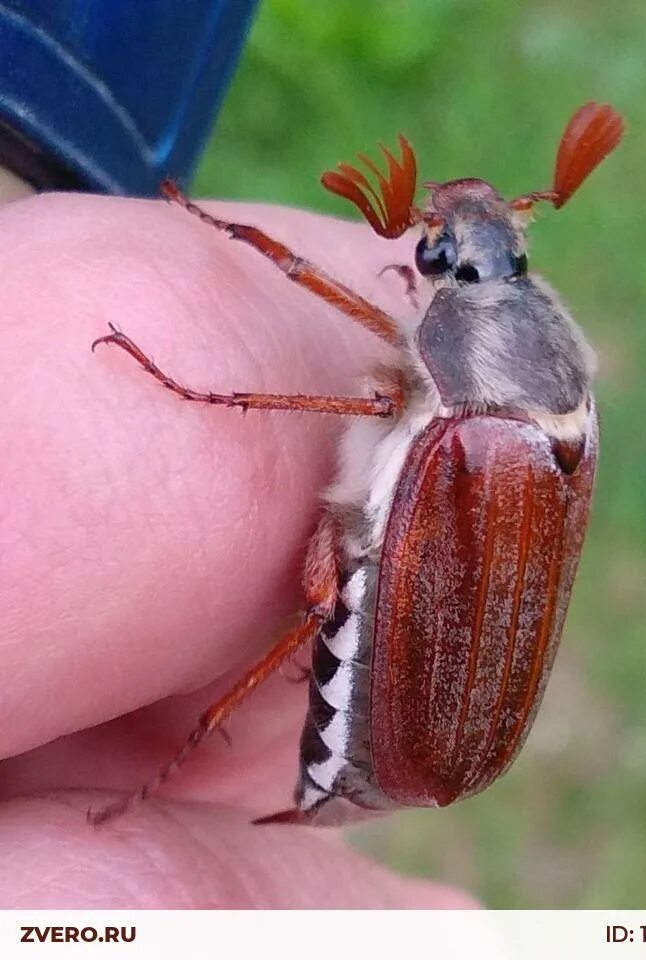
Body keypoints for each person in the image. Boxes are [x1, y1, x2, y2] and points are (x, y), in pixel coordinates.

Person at [0, 181, 477, 909]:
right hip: (428, 694)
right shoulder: (502, 386)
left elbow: (306, 282)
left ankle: (200, 736)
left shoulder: (449, 399)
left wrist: (210, 395)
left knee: (326, 593)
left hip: (395, 667)